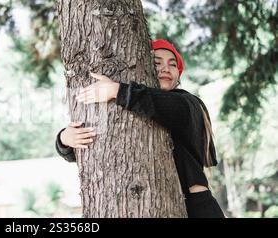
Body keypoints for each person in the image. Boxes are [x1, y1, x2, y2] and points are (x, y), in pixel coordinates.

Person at [55, 39, 225, 218]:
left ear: (178, 75)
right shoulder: (144, 110)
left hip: (198, 208)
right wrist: (65, 139)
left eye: (172, 64)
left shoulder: (188, 103)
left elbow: (163, 104)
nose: (166, 68)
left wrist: (117, 91)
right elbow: (103, 148)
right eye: (157, 63)